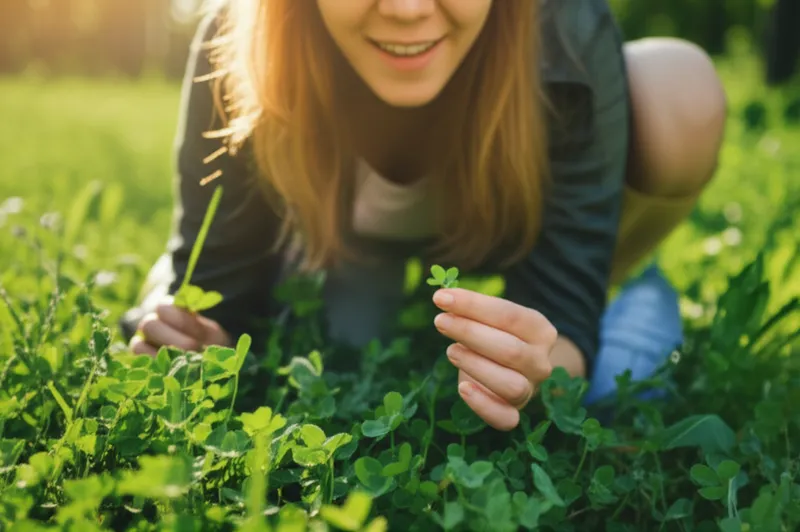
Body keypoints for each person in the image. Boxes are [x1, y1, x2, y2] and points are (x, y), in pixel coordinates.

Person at [120, 0, 727, 432]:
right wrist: (197, 335)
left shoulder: (565, 27)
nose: (408, 9)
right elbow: (213, 281)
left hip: (516, 229)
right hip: (345, 239)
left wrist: (541, 370)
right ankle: (322, 269)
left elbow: (560, 321)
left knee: (611, 379)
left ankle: (622, 283)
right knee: (348, 339)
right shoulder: (240, 39)